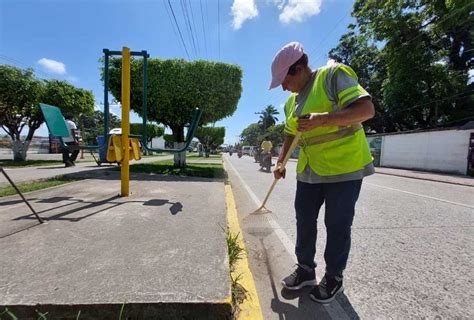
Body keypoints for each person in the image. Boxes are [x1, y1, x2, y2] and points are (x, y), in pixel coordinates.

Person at [269, 42, 375, 303]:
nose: (283, 87)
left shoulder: (332, 76)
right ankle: (305, 270)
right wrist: (280, 161)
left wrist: (325, 118)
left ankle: (334, 277)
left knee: (337, 224)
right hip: (309, 170)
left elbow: (366, 110)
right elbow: (290, 133)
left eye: (285, 79)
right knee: (304, 220)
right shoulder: (291, 103)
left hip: (344, 167)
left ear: (300, 68)